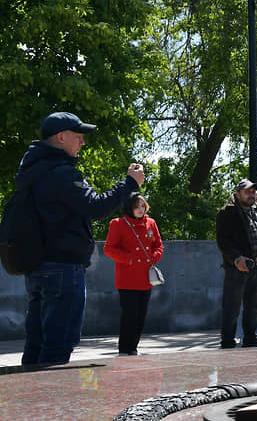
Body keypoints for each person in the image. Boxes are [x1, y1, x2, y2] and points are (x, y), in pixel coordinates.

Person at [16, 112, 144, 366]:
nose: (83, 142)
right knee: (57, 346)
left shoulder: (32, 172)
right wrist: (129, 183)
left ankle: (27, 402)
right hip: (63, 269)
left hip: (37, 267)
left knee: (36, 343)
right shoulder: (62, 173)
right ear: (61, 137)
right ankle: (51, 404)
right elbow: (96, 208)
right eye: (78, 136)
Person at [103, 192, 162, 356]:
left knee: (141, 315)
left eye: (143, 206)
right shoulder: (118, 223)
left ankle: (134, 347)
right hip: (127, 278)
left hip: (145, 277)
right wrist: (128, 258)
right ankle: (124, 348)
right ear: (130, 207)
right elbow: (108, 248)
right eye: (137, 207)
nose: (140, 209)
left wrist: (153, 258)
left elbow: (158, 246)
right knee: (129, 314)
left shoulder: (151, 223)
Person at [216, 179, 257, 349]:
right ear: (238, 194)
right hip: (237, 268)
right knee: (232, 307)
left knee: (254, 308)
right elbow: (223, 242)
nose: (251, 195)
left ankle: (250, 338)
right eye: (247, 192)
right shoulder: (227, 212)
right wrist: (237, 258)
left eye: (253, 192)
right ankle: (228, 341)